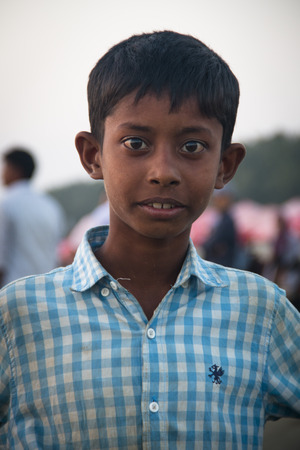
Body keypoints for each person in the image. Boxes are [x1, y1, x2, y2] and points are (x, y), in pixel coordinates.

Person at [0, 31, 299, 449]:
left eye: (192, 146)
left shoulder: (261, 314)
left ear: (225, 166)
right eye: (135, 143)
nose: (163, 171)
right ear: (93, 156)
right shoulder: (17, 317)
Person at [0, 148, 65, 287]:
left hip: (12, 290)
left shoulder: (6, 204)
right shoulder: (51, 205)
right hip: (46, 289)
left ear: (15, 169)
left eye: (4, 167)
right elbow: (56, 252)